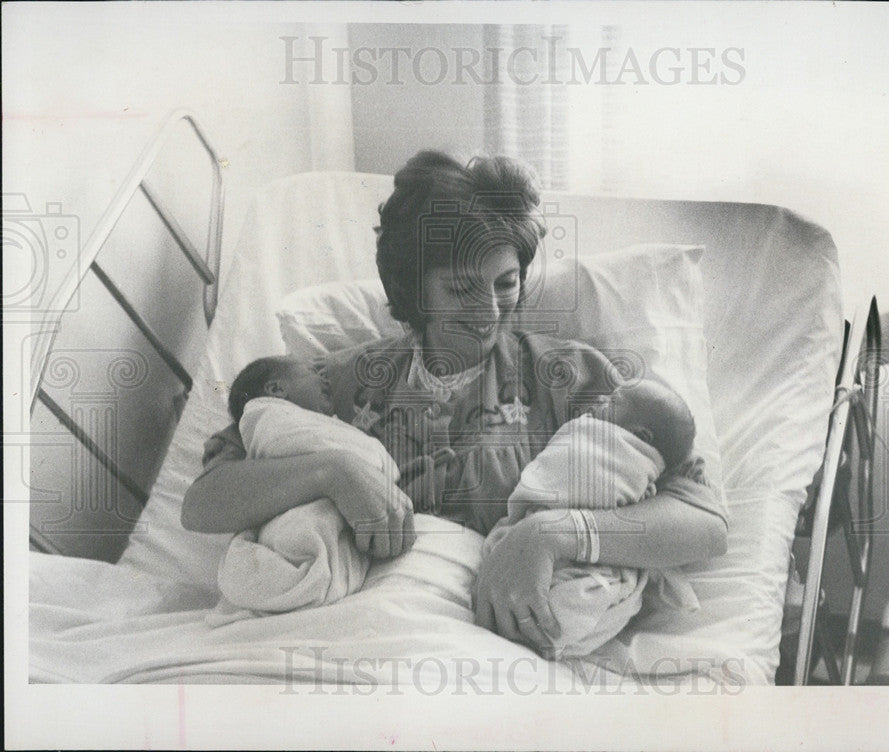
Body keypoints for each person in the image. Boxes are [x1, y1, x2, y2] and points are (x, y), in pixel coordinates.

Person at [182, 150, 728, 654]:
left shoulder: (566, 378)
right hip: (351, 633)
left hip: (486, 649)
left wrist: (550, 535)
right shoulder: (334, 385)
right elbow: (204, 503)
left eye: (506, 283)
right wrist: (332, 472)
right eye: (462, 290)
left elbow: (703, 524)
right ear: (414, 291)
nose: (491, 311)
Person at [484, 379, 704, 658]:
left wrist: (553, 529)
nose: (599, 399)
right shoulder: (592, 426)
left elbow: (709, 527)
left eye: (611, 402)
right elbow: (558, 466)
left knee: (581, 595)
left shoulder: (618, 448)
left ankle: (550, 625)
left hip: (590, 549)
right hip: (535, 542)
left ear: (641, 436)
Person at [209, 355, 404, 621]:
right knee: (298, 538)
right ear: (276, 390)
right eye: (313, 371)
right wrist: (374, 463)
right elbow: (286, 442)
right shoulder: (269, 418)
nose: (325, 377)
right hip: (293, 527)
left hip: (313, 529)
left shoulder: (318, 423)